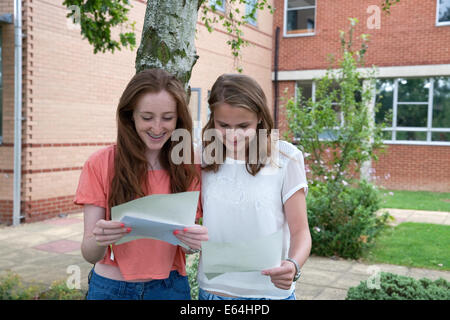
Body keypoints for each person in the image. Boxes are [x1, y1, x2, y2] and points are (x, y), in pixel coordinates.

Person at [74, 68, 208, 300]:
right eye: (147, 117)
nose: (157, 128)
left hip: (170, 288)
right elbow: (90, 253)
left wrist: (193, 243)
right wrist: (100, 238)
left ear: (178, 119)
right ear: (130, 116)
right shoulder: (100, 163)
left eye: (167, 118)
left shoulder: (188, 165)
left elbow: (188, 248)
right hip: (111, 288)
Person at [197, 74, 311, 300]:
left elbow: (301, 232)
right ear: (213, 119)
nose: (233, 135)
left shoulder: (286, 158)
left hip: (270, 294)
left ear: (259, 117)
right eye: (223, 125)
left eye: (243, 125)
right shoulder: (201, 156)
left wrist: (293, 265)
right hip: (214, 291)